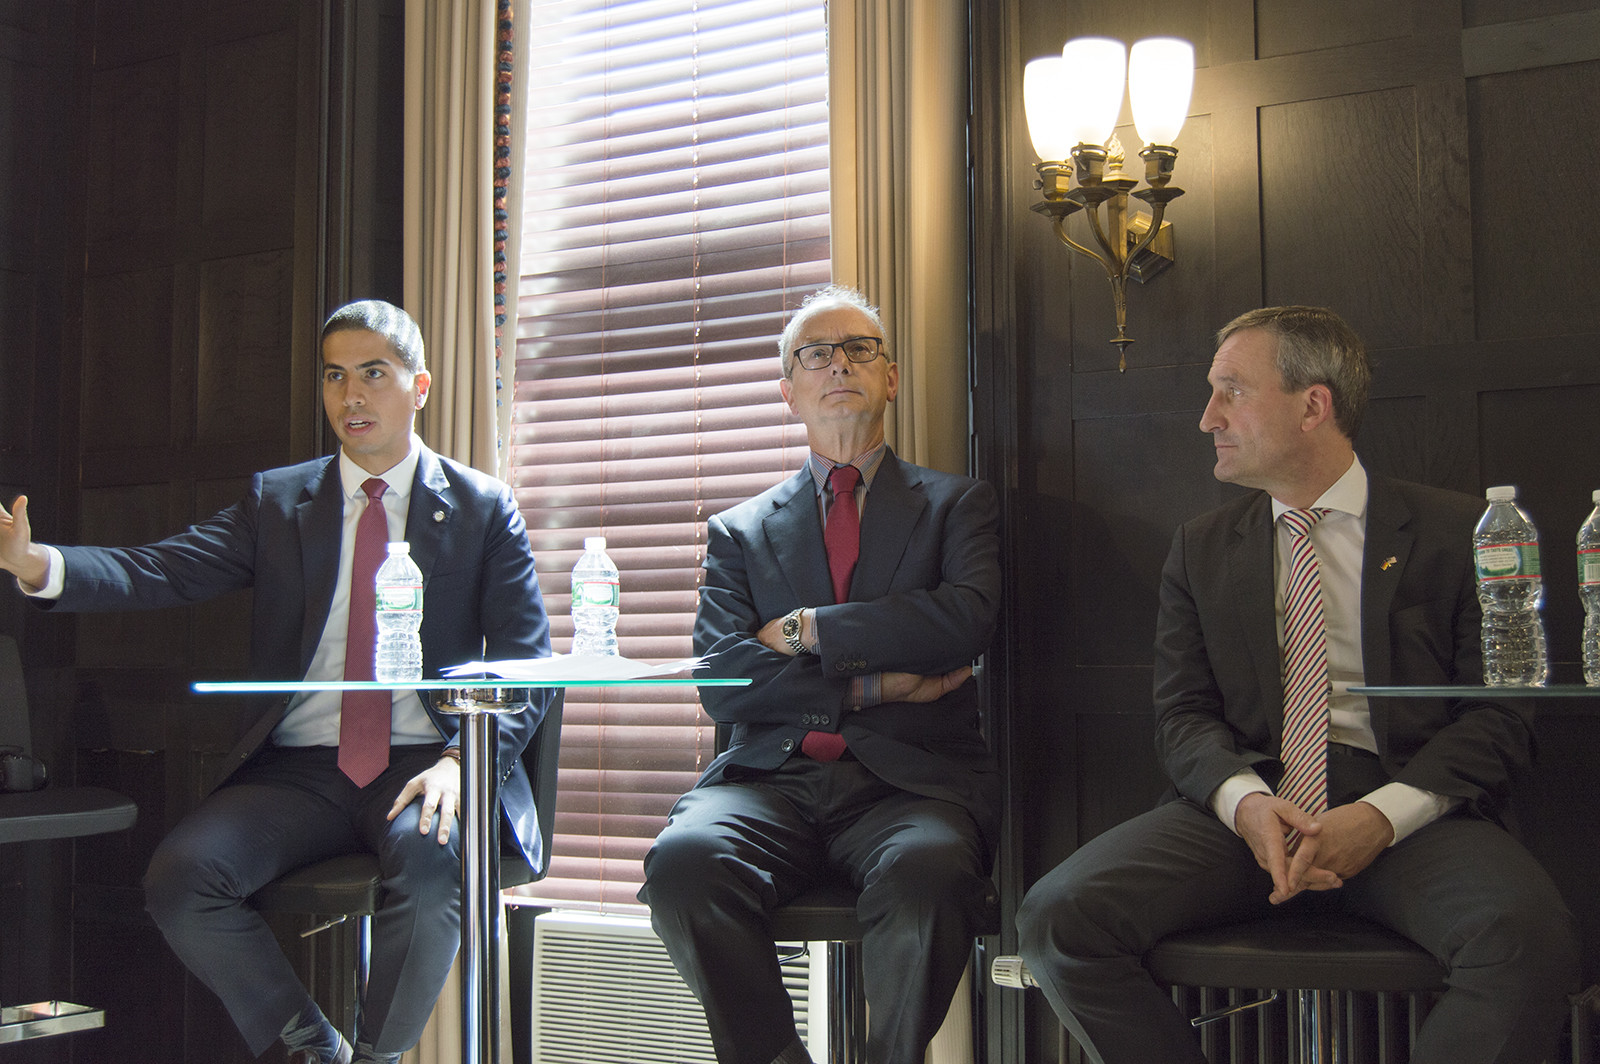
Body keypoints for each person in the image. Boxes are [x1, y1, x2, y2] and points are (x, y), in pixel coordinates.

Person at [1015, 306, 1580, 1064]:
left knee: (1528, 940)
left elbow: (1501, 716)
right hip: (1252, 807)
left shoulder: (1460, 531)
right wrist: (1244, 803)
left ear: (1313, 405)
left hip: (1413, 807)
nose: (1207, 417)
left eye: (1231, 392)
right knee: (1057, 919)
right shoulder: (1203, 547)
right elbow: (1182, 716)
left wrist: (1378, 819)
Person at [0, 300, 553, 1064]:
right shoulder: (277, 502)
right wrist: (40, 566)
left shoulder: (483, 508)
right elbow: (161, 567)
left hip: (424, 763)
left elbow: (528, 665)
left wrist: (463, 761)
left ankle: (378, 1056)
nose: (351, 397)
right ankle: (312, 1051)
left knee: (433, 872)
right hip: (298, 771)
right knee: (181, 878)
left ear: (419, 387)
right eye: (334, 377)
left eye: (373, 375)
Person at [638, 284, 1002, 1064]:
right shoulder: (738, 531)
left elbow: (965, 620)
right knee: (683, 863)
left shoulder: (957, 507)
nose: (838, 364)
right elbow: (722, 681)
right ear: (789, 389)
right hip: (770, 781)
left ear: (892, 377)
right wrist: (875, 682)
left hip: (910, 784)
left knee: (932, 875)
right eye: (815, 353)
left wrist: (808, 630)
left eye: (859, 348)